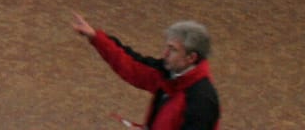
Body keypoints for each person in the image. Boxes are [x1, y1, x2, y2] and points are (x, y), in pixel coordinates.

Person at [69, 12, 220, 130]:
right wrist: (95, 37)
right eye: (167, 47)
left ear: (191, 57)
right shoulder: (170, 74)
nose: (165, 54)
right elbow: (132, 66)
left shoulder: (202, 102)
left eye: (173, 50)